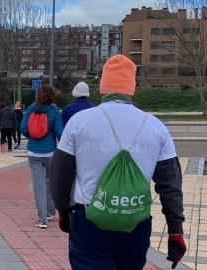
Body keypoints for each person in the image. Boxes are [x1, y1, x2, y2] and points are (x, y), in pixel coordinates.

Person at [51, 55, 186, 270]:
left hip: (89, 221)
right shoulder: (156, 126)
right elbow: (171, 186)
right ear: (132, 87)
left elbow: (59, 175)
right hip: (136, 223)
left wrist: (63, 210)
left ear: (103, 87)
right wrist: (175, 230)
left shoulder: (79, 122)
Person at [20, 86, 64, 229]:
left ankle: (42, 219)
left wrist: (32, 137)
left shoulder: (31, 109)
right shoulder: (54, 112)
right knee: (50, 181)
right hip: (50, 152)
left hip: (33, 152)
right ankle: (51, 211)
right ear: (52, 96)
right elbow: (60, 132)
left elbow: (22, 128)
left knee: (38, 185)